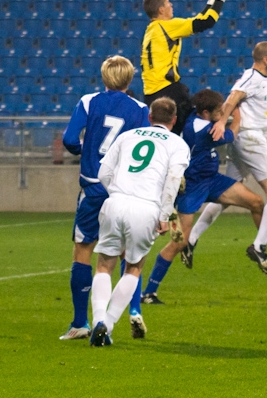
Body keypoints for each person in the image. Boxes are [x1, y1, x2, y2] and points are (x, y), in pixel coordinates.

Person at [140, 89, 267, 304]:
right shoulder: (206, 131)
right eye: (219, 111)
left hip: (212, 180)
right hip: (190, 187)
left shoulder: (196, 117)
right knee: (178, 242)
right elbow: (233, 134)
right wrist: (237, 117)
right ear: (207, 112)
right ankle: (149, 293)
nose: (223, 113)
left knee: (256, 203)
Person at [59, 56, 150, 341]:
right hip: (123, 189)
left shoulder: (88, 101)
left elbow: (70, 140)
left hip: (93, 187)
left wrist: (86, 149)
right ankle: (132, 311)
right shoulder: (140, 109)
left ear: (103, 76)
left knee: (84, 250)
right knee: (127, 253)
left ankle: (79, 322)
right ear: (130, 78)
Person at [89, 97, 190, 346]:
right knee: (134, 267)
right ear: (174, 120)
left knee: (104, 265)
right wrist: (165, 216)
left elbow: (103, 172)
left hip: (115, 201)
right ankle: (109, 325)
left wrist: (116, 193)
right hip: (146, 208)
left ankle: (98, 320)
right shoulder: (178, 144)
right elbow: (174, 179)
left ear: (150, 117)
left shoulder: (128, 136)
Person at [199, 41, 267, 275]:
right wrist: (221, 122)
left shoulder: (259, 79)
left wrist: (264, 133)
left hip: (250, 138)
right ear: (266, 59)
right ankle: (260, 246)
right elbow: (232, 99)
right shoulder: (253, 77)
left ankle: (190, 240)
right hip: (249, 139)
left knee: (228, 193)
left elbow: (247, 107)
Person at [141, 0, 239, 135]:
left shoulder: (152, 30)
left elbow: (199, 19)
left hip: (151, 95)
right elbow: (207, 21)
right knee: (198, 126)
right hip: (168, 92)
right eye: (168, 2)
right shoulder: (167, 26)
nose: (171, 4)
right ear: (161, 10)